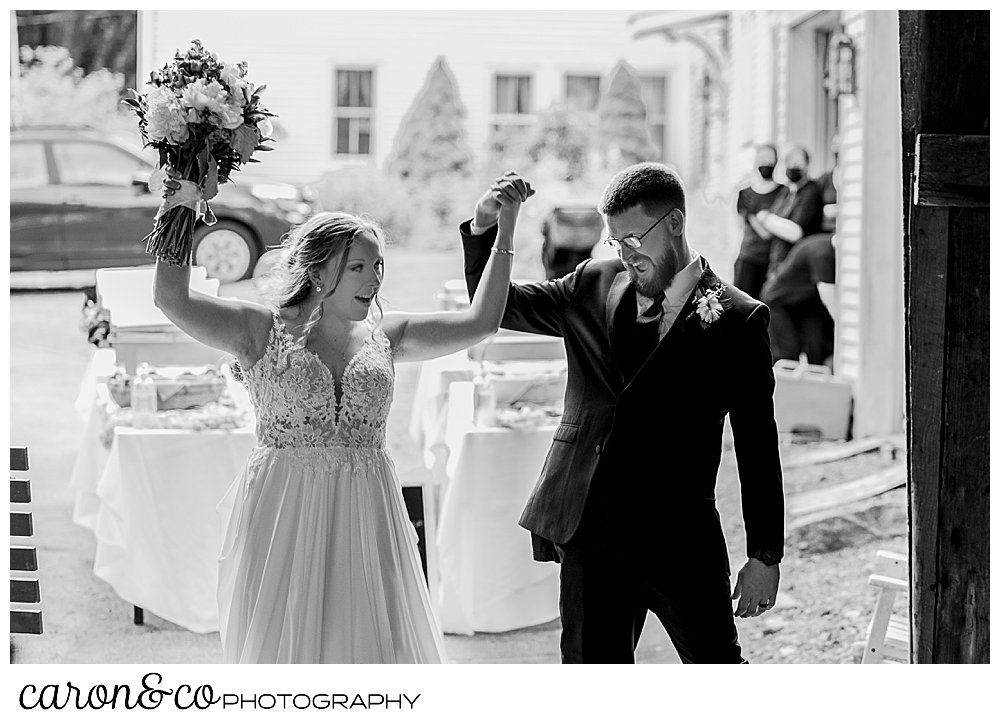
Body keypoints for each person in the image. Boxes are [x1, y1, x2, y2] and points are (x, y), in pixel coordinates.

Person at [153, 172, 532, 663]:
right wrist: (181, 201)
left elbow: (482, 323)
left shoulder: (389, 336)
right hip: (282, 510)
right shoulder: (258, 331)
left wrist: (502, 229)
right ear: (317, 272)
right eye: (358, 267)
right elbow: (171, 298)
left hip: (366, 512)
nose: (374, 280)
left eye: (378, 266)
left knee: (368, 650)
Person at [461, 162, 784, 664]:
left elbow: (757, 446)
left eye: (634, 237)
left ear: (674, 224)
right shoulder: (591, 281)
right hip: (589, 532)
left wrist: (765, 554)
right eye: (616, 241)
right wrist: (487, 227)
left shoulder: (740, 320)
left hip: (679, 540)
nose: (626, 254)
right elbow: (497, 306)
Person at [760, 232, 836, 367]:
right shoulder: (822, 253)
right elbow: (829, 298)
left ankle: (815, 386)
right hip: (779, 303)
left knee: (817, 350)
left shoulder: (830, 249)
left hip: (806, 303)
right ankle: (778, 385)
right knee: (788, 353)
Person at [755, 145, 825, 272]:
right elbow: (772, 222)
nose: (793, 166)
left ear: (807, 166)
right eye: (790, 162)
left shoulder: (811, 192)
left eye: (798, 163)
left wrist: (766, 218)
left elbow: (795, 232)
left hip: (798, 266)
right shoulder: (787, 192)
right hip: (778, 262)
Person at [733, 143, 785, 300]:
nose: (766, 164)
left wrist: (754, 215)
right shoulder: (744, 194)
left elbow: (767, 233)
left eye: (770, 159)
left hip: (773, 261)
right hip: (748, 259)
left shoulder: (784, 192)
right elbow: (740, 225)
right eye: (762, 159)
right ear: (755, 162)